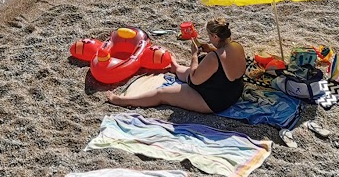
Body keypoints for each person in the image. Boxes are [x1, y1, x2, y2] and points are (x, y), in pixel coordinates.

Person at [102, 18, 246, 113]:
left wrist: (194, 54)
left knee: (162, 94)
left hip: (216, 101)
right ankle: (174, 67)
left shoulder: (213, 58)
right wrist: (210, 49)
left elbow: (195, 79)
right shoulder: (236, 46)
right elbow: (224, 57)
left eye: (209, 35)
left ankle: (121, 100)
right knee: (187, 71)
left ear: (215, 36)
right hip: (234, 91)